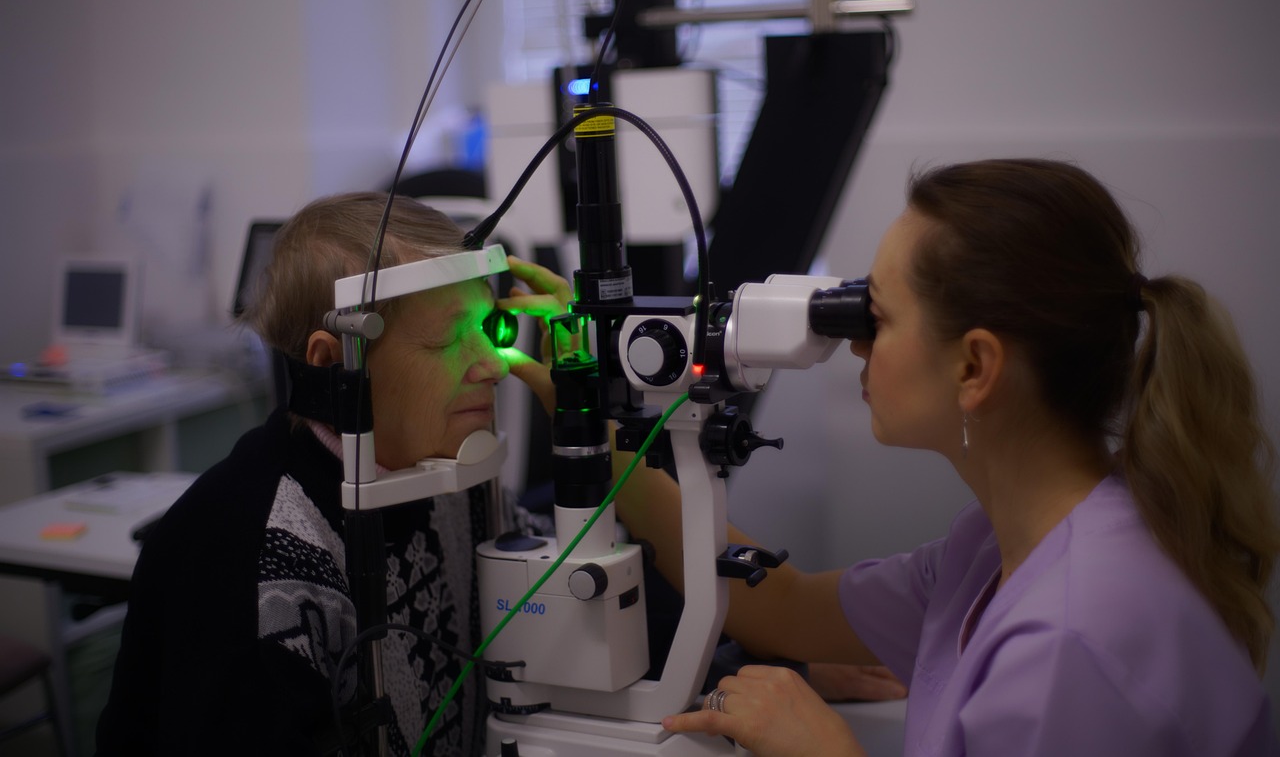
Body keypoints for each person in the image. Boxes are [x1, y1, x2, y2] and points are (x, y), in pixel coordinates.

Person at [608, 159, 1280, 755]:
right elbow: (785, 609)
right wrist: (591, 429)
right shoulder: (996, 547)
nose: (858, 346)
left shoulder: (1070, 645)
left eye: (879, 318)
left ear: (974, 367)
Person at [96, 192, 554, 756]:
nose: (493, 366)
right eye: (446, 339)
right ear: (335, 363)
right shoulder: (258, 559)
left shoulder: (451, 470)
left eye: (491, 329)